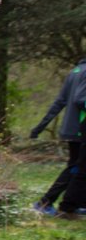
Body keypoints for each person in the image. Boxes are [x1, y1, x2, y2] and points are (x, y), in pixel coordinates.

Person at [29, 57, 86, 217]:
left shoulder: (75, 71)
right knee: (76, 167)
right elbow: (81, 100)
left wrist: (40, 127)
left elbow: (60, 101)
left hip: (70, 127)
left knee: (76, 166)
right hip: (80, 127)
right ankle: (47, 202)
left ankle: (73, 204)